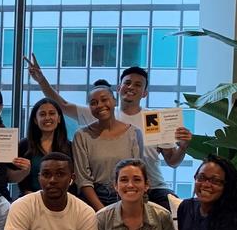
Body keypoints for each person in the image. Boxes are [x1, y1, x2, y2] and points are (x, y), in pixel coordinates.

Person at [28, 60, 191, 209]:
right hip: (110, 189)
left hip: (152, 186)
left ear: (145, 93)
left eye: (138, 85)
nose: (131, 87)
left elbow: (172, 161)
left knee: (170, 213)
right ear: (119, 88)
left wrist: (183, 147)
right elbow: (62, 104)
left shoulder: (154, 119)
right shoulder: (100, 113)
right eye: (127, 83)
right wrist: (41, 80)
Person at [72, 84, 144, 210]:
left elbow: (138, 171)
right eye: (93, 103)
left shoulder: (134, 133)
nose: (99, 105)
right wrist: (102, 210)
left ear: (114, 101)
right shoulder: (81, 135)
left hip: (126, 194)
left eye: (104, 100)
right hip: (94, 198)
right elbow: (83, 180)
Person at [18, 99, 74, 194]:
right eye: (42, 114)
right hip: (30, 199)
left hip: (62, 199)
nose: (47, 118)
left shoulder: (70, 147)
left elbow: (72, 180)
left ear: (59, 118)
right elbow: (21, 182)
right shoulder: (24, 145)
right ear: (35, 120)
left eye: (52, 113)